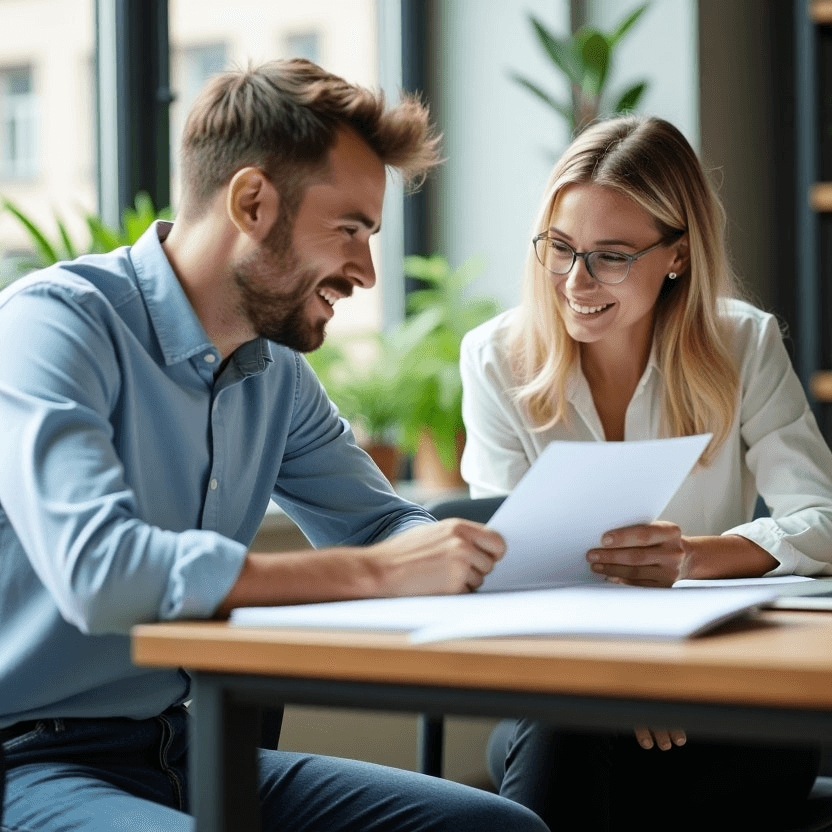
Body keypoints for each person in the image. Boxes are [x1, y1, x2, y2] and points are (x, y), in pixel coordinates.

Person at [0, 59, 548, 832]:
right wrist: (374, 572)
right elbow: (101, 571)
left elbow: (381, 526)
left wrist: (498, 553)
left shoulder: (275, 374)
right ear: (252, 201)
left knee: (497, 829)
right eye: (349, 229)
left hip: (185, 748)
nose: (363, 268)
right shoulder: (53, 325)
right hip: (28, 762)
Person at [459, 115, 832, 831]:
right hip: (561, 687)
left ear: (678, 257)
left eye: (610, 256)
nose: (575, 281)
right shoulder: (494, 358)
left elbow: (821, 520)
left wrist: (694, 557)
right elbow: (508, 567)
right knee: (571, 724)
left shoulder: (741, 342)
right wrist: (617, 678)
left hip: (717, 695)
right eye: (560, 249)